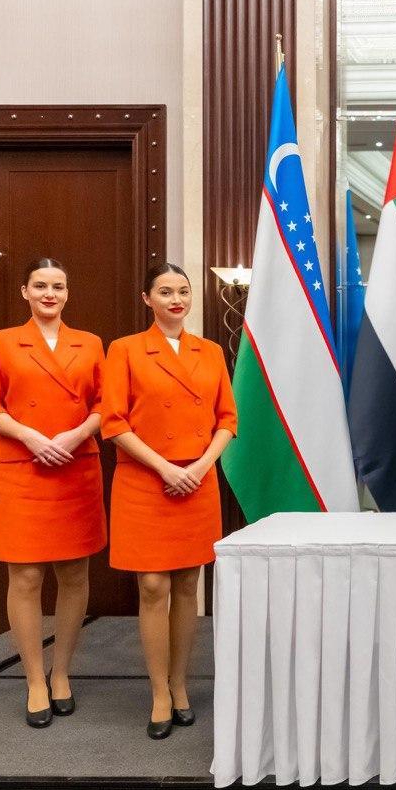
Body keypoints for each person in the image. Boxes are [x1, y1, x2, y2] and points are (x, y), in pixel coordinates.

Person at [100, 263, 237, 739]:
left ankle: (180, 684)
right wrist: (166, 468)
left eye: (183, 291)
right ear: (147, 299)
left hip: (197, 480)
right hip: (145, 480)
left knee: (187, 585)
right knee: (153, 586)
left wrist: (199, 468)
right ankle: (159, 690)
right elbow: (113, 422)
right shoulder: (125, 349)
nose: (176, 299)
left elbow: (228, 419)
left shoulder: (211, 351)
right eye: (165, 292)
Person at [0, 259, 106, 728]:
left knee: (74, 574)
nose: (50, 293)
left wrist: (75, 435)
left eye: (58, 286)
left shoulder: (90, 343)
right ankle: (34, 680)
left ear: (67, 293)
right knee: (26, 578)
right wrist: (29, 436)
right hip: (23, 469)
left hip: (75, 466)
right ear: (24, 292)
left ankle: (62, 672)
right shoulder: (2, 341)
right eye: (41, 286)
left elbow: (106, 404)